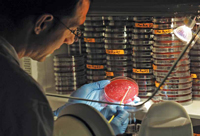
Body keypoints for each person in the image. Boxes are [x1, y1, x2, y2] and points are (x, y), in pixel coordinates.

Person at [0, 0, 129, 135]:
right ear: (43, 24)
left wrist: (61, 115)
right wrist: (104, 132)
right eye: (72, 29)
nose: (71, 40)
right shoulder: (22, 92)